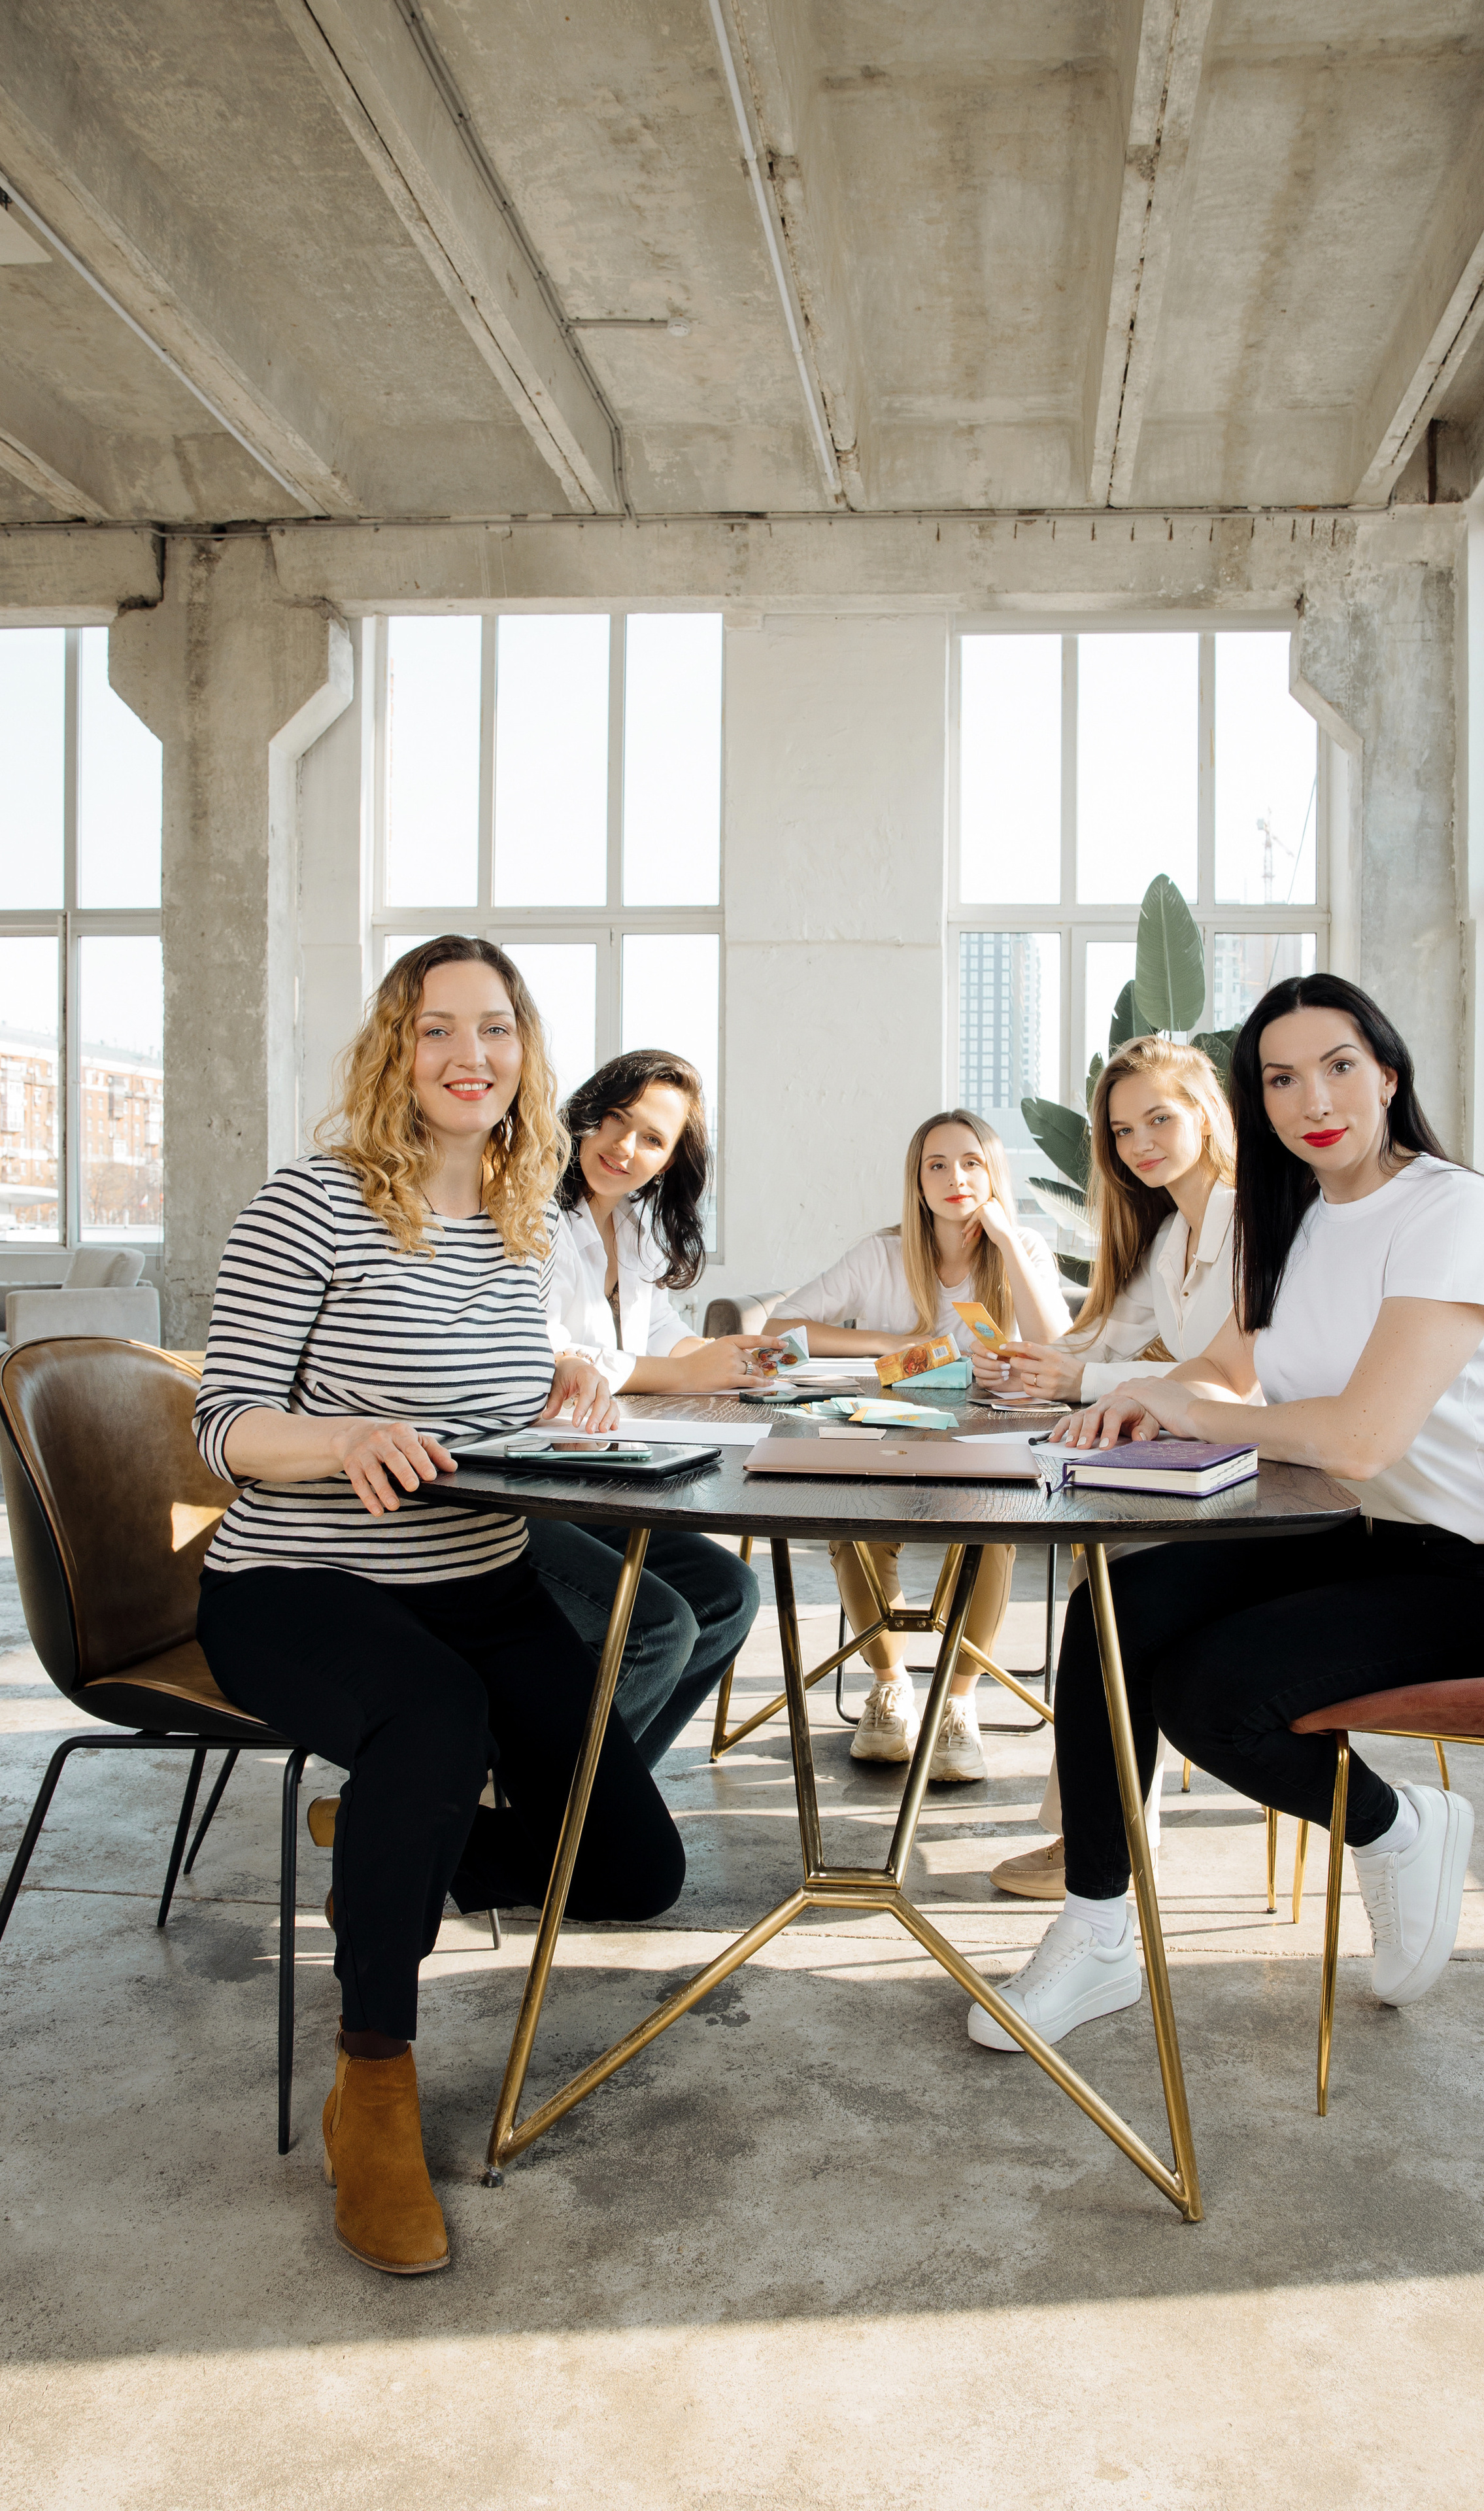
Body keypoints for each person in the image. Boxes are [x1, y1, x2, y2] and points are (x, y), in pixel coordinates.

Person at [194, 936, 686, 2278]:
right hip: (300, 1580)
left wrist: (565, 1395)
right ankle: (373, 2082)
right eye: (435, 1031)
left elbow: (486, 1407)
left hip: (478, 1577)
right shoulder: (310, 1203)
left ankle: (389, 1847)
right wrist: (343, 1439)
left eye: (496, 1030)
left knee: (639, 1870)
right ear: (392, 1054)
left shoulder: (527, 1217)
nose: (470, 1057)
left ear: (526, 1054)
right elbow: (223, 1427)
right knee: (436, 1713)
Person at [966, 973, 1484, 2057]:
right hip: (1356, 1534)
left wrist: (1186, 1403)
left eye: (1338, 1065)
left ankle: (1398, 1828)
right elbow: (1224, 1363)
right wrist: (1130, 1398)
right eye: (1281, 1079)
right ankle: (1099, 1927)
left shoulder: (1454, 1209)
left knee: (1213, 1697)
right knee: (1119, 1605)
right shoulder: (1289, 1220)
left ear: (1388, 1074)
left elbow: (1358, 1439)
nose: (1312, 1098)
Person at [972, 1036, 1240, 1897]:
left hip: (1265, 1474)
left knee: (1113, 1591)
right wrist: (1030, 1364)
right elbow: (1093, 1346)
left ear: (1207, 1113)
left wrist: (1085, 1377)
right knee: (1106, 1575)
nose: (1140, 1145)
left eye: (1160, 1118)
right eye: (1123, 1132)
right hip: (1213, 1457)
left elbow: (1243, 1378)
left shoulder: (1246, 1220)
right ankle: (1093, 1831)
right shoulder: (1172, 1241)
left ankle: (1106, 1841)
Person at [769, 1109, 1071, 1781]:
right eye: (936, 1164)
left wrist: (1004, 1244)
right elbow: (780, 1327)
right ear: (917, 1180)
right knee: (850, 1525)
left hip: (986, 1443)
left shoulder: (1021, 1248)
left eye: (970, 1162)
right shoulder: (882, 1253)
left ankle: (958, 1702)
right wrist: (886, 1344)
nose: (954, 1177)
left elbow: (1058, 1348)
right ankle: (890, 1684)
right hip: (887, 1436)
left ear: (993, 1171)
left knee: (992, 1527)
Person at [528, 1048, 767, 1768]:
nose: (624, 1148)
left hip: (597, 1476)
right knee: (658, 1625)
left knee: (729, 1594)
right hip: (526, 1480)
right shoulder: (533, 1211)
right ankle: (548, 1826)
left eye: (653, 1140)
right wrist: (682, 1372)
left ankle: (600, 1813)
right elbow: (547, 1358)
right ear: (586, 1115)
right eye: (616, 1121)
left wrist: (728, 1365)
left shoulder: (630, 1226)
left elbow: (664, 1336)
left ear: (671, 1162)